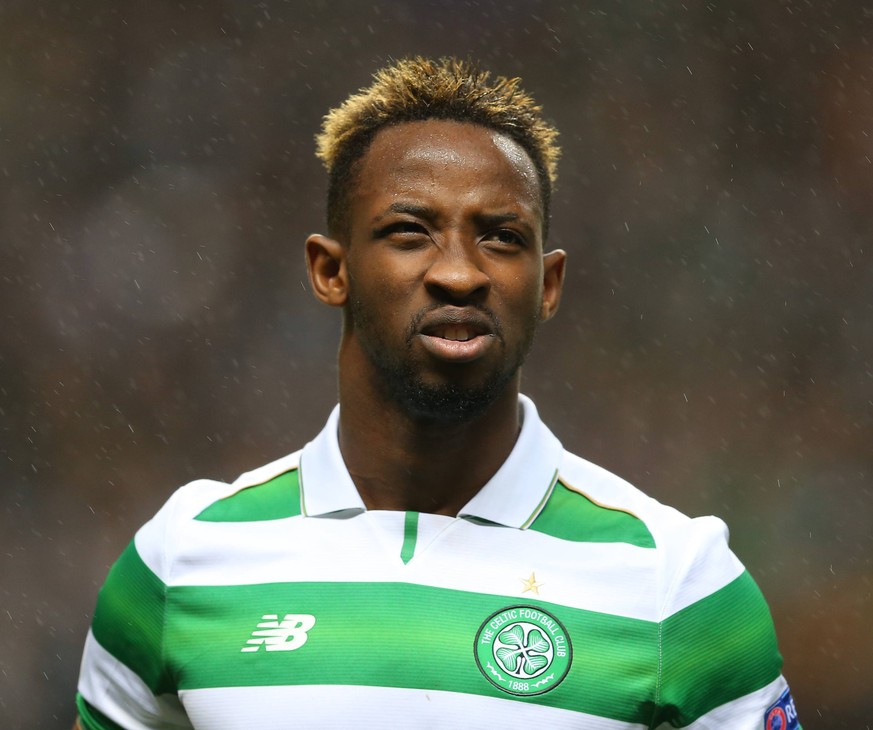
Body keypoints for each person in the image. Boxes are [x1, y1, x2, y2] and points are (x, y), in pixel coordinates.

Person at [74, 57, 801, 729]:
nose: (459, 273)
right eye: (409, 231)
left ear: (546, 285)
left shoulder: (678, 583)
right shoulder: (182, 560)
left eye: (500, 237)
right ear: (331, 270)